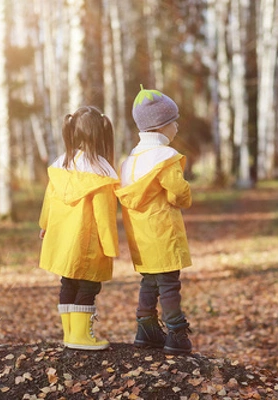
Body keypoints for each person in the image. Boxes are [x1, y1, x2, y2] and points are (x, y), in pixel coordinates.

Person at [116, 85, 193, 355]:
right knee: (170, 283)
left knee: (149, 280)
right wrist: (183, 196)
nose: (178, 127)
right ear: (161, 126)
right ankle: (176, 332)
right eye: (175, 122)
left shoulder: (130, 160)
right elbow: (178, 192)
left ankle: (146, 328)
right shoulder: (165, 158)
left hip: (141, 236)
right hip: (163, 232)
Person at [38, 106, 119, 350]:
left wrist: (45, 225)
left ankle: (70, 333)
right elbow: (104, 215)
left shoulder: (62, 165)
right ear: (101, 136)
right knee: (88, 285)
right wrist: (110, 245)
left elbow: (49, 199)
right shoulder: (101, 171)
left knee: (68, 282)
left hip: (63, 240)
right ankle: (81, 336)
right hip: (88, 242)